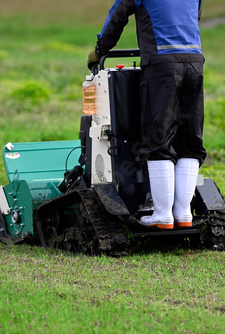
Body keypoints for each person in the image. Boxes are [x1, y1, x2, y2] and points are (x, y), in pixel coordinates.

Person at [87, 0, 207, 230]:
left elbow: (117, 16)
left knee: (156, 139)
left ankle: (162, 214)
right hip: (194, 62)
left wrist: (100, 50)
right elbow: (193, 17)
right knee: (190, 141)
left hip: (162, 66)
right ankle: (182, 213)